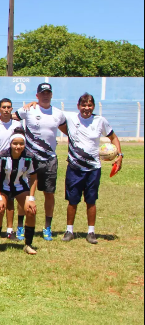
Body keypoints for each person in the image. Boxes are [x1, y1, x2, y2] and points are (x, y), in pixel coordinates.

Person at [60, 93, 123, 244]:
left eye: (89, 105)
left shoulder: (100, 121)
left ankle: (91, 233)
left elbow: (113, 137)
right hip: (75, 168)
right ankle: (69, 231)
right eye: (84, 105)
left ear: (93, 106)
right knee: (72, 201)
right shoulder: (70, 118)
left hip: (93, 168)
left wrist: (119, 155)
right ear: (78, 106)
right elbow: (50, 113)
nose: (86, 108)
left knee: (91, 200)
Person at [16, 83, 66, 242]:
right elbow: (8, 117)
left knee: (49, 194)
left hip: (49, 159)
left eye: (48, 93)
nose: (45, 95)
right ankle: (20, 227)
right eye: (42, 93)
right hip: (29, 159)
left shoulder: (58, 114)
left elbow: (69, 132)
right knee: (24, 194)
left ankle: (47, 227)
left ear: (51, 95)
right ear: (37, 95)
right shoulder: (28, 110)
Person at [0, 128, 39, 255]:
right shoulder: (1, 156)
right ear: (10, 143)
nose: (18, 146)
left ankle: (28, 244)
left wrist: (31, 198)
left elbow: (34, 177)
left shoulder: (30, 157)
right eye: (15, 143)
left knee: (30, 210)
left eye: (21, 144)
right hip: (3, 187)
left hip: (20, 187)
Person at [0, 98, 23, 240]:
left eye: (9, 107)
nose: (6, 109)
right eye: (4, 107)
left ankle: (10, 230)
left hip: (12, 164)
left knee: (10, 198)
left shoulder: (17, 124)